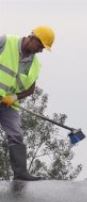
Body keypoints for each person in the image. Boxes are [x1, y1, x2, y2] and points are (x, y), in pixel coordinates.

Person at [0, 26, 55, 181]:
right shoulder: (5, 41)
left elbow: (30, 90)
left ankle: (21, 174)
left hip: (5, 103)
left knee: (16, 134)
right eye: (40, 46)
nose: (41, 50)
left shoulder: (34, 65)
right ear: (32, 38)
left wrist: (14, 98)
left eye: (43, 48)